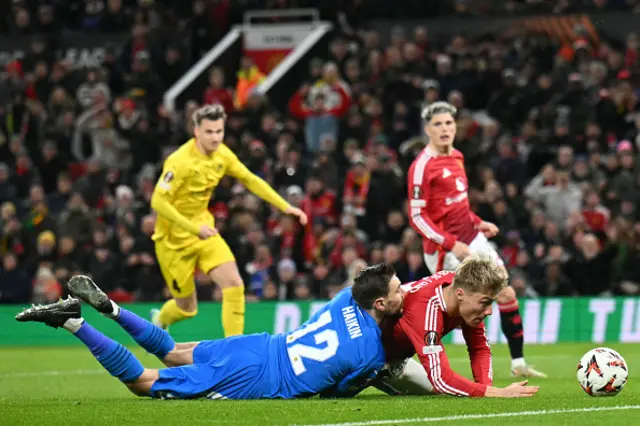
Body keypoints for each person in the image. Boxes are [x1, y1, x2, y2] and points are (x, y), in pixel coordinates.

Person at [15, 267, 403, 400]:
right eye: (398, 290)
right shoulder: (369, 352)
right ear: (380, 305)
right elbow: (336, 391)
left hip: (260, 345)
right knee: (143, 382)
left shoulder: (342, 298)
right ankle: (73, 321)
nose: (404, 292)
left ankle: (113, 309)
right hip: (257, 378)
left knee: (172, 351)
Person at [406, 101, 545, 378]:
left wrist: (478, 222)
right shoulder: (422, 166)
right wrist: (450, 243)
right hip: (444, 248)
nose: (445, 129)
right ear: (427, 129)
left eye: (448, 123)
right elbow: (417, 217)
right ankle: (404, 353)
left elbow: (459, 203)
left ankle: (518, 364)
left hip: (472, 239)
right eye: (438, 124)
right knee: (451, 311)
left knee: (505, 292)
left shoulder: (457, 156)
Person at [150, 104, 307, 336]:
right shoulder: (179, 161)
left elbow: (250, 180)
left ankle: (236, 351)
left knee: (234, 286)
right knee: (187, 308)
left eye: (219, 131)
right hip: (173, 239)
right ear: (197, 132)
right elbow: (158, 202)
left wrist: (285, 206)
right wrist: (193, 228)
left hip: (206, 232)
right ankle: (161, 318)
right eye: (209, 132)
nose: (215, 138)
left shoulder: (222, 154)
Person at [377, 254, 540, 398]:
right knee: (444, 387)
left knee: (449, 391)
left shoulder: (459, 288)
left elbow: (479, 348)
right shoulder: (426, 308)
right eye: (485, 303)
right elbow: (441, 379)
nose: (489, 311)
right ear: (460, 294)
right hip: (364, 359)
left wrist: (487, 390)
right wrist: (499, 392)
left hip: (397, 361)